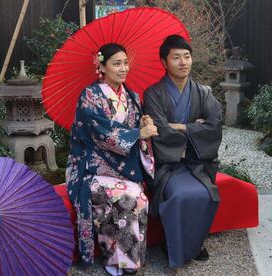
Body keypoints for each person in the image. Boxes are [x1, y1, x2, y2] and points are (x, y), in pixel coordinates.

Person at [66, 43, 158, 276]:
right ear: (102, 67)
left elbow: (136, 133)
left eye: (126, 63)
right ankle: (121, 262)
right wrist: (138, 134)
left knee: (140, 198)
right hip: (91, 167)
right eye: (117, 64)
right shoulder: (90, 96)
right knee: (125, 197)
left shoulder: (133, 97)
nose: (123, 68)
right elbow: (100, 131)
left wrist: (143, 126)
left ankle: (131, 257)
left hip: (122, 167)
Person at [143, 35, 223, 268]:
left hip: (198, 162)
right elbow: (159, 131)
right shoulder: (153, 94)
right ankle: (173, 245)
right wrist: (195, 128)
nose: (183, 62)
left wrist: (181, 126)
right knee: (181, 195)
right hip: (168, 164)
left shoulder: (203, 92)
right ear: (164, 62)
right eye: (176, 57)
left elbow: (214, 124)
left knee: (207, 194)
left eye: (187, 56)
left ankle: (194, 243)